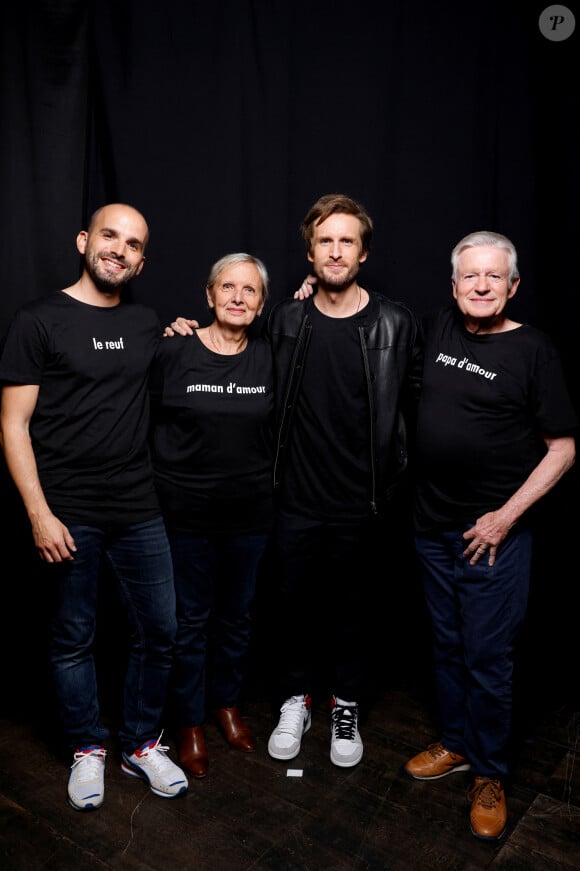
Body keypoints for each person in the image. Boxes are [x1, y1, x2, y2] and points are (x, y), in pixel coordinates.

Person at [0, 204, 188, 811]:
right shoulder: (38, 319)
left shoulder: (145, 321)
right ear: (85, 241)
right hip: (68, 511)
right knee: (73, 637)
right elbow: (13, 425)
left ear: (140, 261)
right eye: (110, 236)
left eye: (133, 244)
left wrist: (182, 334)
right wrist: (38, 514)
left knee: (160, 631)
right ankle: (87, 748)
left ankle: (140, 742)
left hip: (138, 507)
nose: (119, 250)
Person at [403, 231, 577, 840]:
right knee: (448, 646)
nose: (481, 286)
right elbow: (364, 326)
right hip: (431, 526)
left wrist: (506, 516)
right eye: (470, 277)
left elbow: (563, 448)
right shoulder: (435, 331)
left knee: (487, 656)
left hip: (492, 536)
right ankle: (455, 742)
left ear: (513, 284)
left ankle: (490, 772)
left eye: (493, 277)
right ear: (453, 286)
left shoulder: (534, 350)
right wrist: (310, 289)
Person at [264, 193, 422, 768]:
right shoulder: (284, 317)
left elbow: (418, 406)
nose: (335, 251)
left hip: (364, 500)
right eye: (325, 240)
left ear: (362, 253)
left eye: (346, 241)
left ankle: (345, 704)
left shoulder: (396, 322)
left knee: (355, 609)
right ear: (310, 253)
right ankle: (296, 699)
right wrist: (183, 330)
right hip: (295, 498)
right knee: (291, 606)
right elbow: (232, 353)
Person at [150, 252, 273, 779]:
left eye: (249, 290)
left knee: (238, 617)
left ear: (262, 302)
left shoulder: (272, 355)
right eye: (228, 287)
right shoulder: (173, 351)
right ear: (208, 295)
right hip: (185, 515)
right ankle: (189, 722)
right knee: (191, 621)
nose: (238, 297)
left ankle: (227, 705)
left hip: (250, 516)